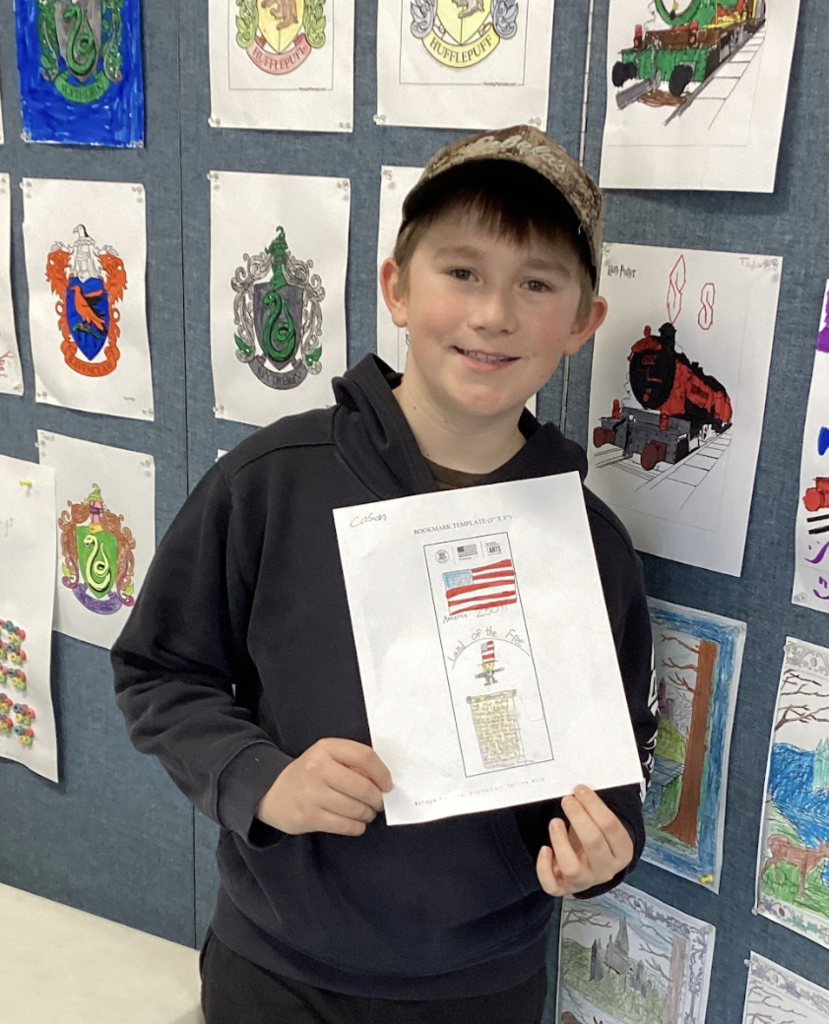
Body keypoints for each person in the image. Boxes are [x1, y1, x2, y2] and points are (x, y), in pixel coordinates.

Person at [112, 124, 658, 1024]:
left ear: (582, 322)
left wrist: (607, 849)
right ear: (396, 289)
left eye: (536, 282)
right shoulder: (270, 484)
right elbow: (159, 672)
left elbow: (612, 764)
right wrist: (258, 776)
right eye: (462, 272)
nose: (493, 314)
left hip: (483, 987)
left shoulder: (589, 546)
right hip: (275, 972)